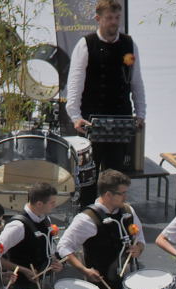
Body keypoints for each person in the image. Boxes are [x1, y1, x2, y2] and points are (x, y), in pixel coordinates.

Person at [65, 0, 146, 207]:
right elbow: (75, 83)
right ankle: (87, 213)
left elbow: (136, 82)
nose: (113, 23)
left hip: (120, 119)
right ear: (98, 19)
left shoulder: (129, 44)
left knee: (115, 173)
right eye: (109, 18)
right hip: (92, 120)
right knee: (89, 173)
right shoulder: (86, 44)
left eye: (117, 18)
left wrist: (140, 113)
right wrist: (75, 116)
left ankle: (112, 212)